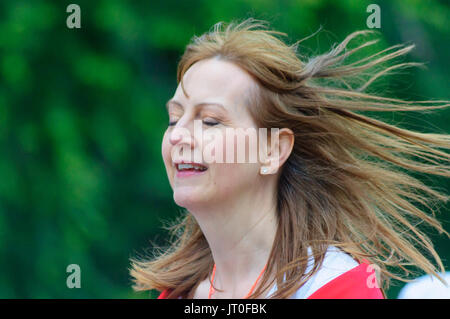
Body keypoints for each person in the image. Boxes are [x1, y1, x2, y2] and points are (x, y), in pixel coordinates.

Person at [129, 18, 450, 299]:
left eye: (210, 121)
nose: (177, 136)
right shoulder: (178, 292)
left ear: (273, 150)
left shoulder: (337, 286)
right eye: (174, 119)